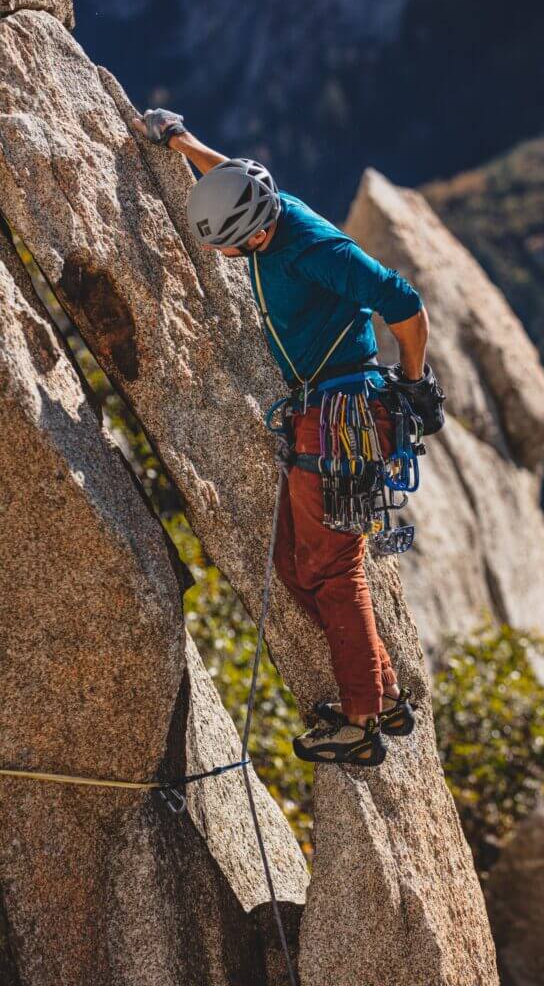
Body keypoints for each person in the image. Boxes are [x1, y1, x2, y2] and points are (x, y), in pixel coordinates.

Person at [134, 108, 444, 768]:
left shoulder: (314, 250)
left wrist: (415, 381)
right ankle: (380, 694)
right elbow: (233, 181)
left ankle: (362, 721)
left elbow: (403, 302)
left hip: (345, 417)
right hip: (327, 412)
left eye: (224, 246)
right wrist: (181, 141)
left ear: (254, 235)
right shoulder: (268, 209)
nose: (218, 255)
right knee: (297, 563)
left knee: (332, 570)